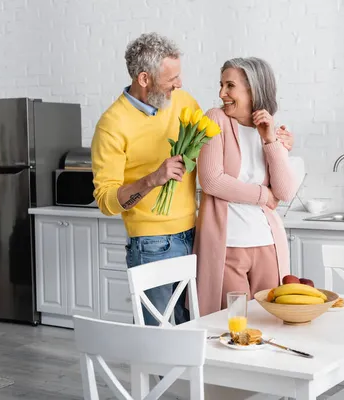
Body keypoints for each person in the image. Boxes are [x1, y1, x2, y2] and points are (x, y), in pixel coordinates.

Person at [91, 33, 294, 325]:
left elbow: (219, 143)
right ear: (145, 79)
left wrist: (278, 142)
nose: (180, 83)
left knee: (196, 328)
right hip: (152, 243)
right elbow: (107, 202)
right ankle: (161, 373)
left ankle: (193, 374)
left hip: (196, 234)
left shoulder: (183, 101)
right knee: (158, 332)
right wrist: (152, 179)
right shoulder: (112, 125)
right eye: (172, 78)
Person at [194, 57, 298, 316]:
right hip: (227, 246)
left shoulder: (270, 127)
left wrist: (270, 140)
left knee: (272, 323)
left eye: (230, 86)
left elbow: (284, 192)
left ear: (253, 89)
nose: (222, 93)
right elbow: (211, 180)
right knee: (232, 325)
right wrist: (264, 194)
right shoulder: (215, 119)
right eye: (221, 85)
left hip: (268, 245)